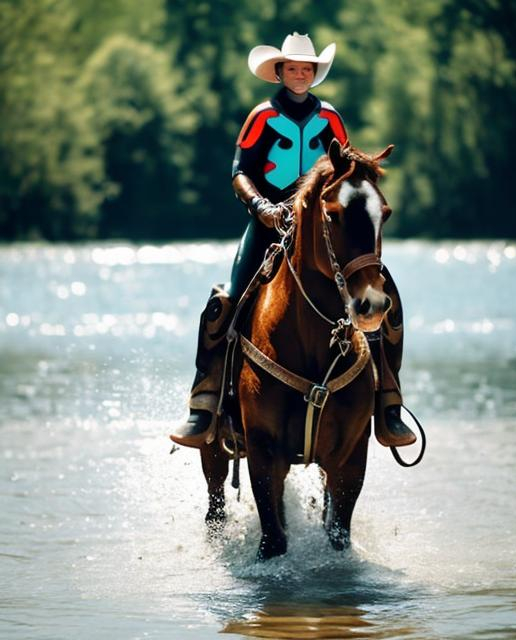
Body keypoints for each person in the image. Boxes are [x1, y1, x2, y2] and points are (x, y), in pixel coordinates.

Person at [170, 32, 415, 450]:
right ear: (279, 72)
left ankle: (387, 402)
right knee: (225, 301)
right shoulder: (261, 116)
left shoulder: (331, 118)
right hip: (267, 224)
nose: (301, 75)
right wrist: (262, 207)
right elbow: (239, 171)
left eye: (308, 69)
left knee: (381, 294)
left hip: (320, 231)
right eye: (293, 69)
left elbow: (345, 169)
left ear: (314, 74)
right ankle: (204, 402)